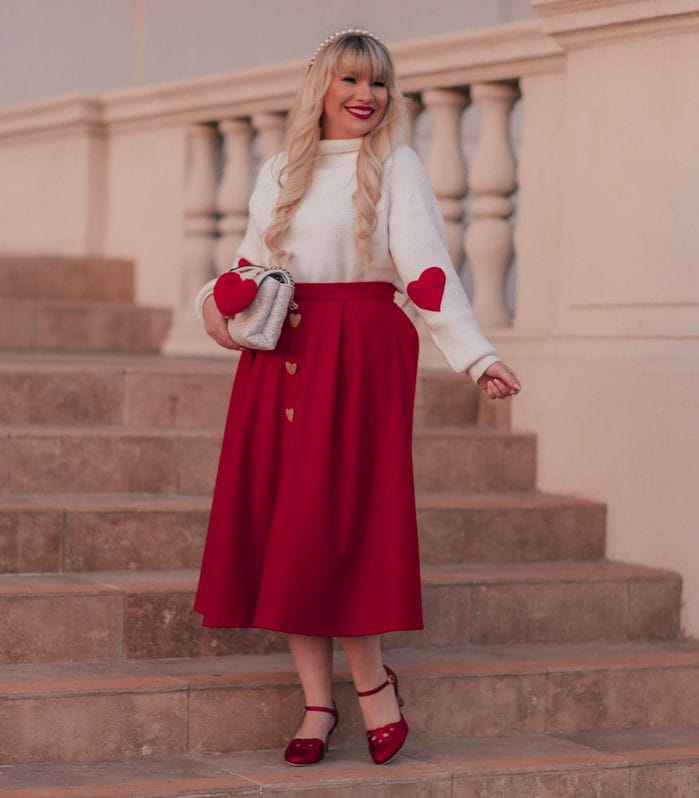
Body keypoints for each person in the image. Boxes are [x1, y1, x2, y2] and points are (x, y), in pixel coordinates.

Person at [191, 27, 521, 768]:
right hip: (283, 358)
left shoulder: (395, 164)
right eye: (348, 80)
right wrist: (215, 304)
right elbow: (247, 265)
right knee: (287, 530)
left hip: (362, 356)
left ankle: (373, 686)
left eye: (375, 82)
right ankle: (317, 702)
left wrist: (476, 356)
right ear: (321, 89)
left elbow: (428, 270)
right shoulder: (279, 169)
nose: (364, 95)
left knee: (342, 525)